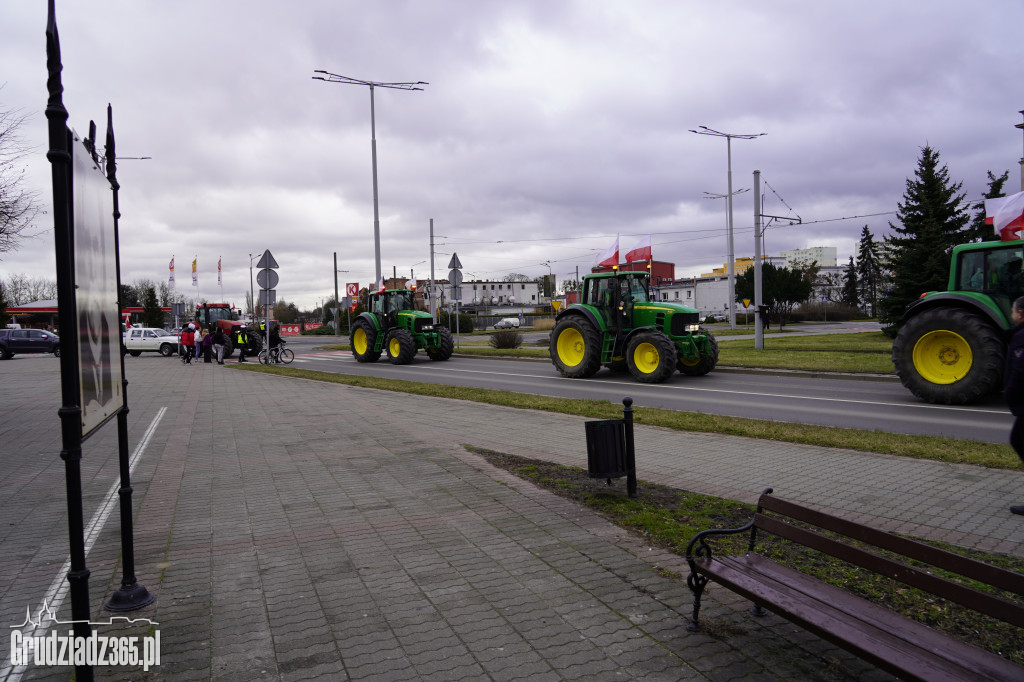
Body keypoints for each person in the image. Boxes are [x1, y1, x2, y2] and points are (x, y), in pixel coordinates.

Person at [1004, 295, 1024, 516]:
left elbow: (1020, 372)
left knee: (1018, 441)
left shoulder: (1020, 337)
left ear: (1020, 313)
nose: (1012, 314)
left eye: (1013, 310)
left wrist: (1010, 395)